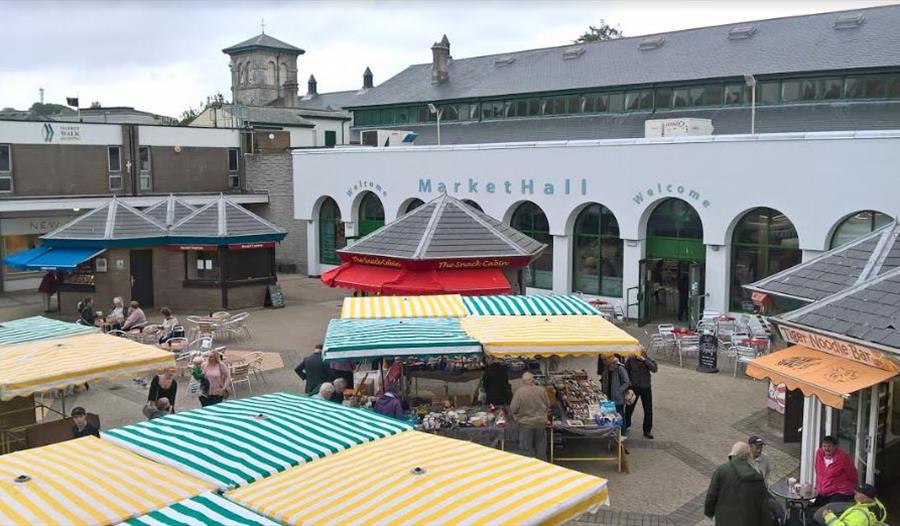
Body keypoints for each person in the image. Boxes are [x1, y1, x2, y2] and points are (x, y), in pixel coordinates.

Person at [704, 442, 769, 526]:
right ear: (748, 456)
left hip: (724, 520)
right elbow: (764, 505)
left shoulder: (722, 470)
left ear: (733, 454)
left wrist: (709, 512)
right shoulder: (758, 476)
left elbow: (712, 495)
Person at [510, 372, 549, 461]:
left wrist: (516, 416)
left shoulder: (519, 392)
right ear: (533, 380)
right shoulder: (542, 390)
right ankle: (543, 469)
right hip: (540, 423)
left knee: (526, 450)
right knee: (541, 448)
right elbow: (547, 405)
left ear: (523, 382)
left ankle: (529, 469)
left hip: (526, 424)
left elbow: (513, 408)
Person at [815, 436, 859, 506]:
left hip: (840, 491)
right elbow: (819, 473)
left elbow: (852, 473)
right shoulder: (819, 454)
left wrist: (855, 487)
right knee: (813, 508)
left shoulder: (843, 457)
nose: (826, 449)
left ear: (835, 447)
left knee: (829, 509)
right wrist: (818, 487)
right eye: (824, 446)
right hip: (824, 491)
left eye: (829, 446)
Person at [815, 483, 887, 526]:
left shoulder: (860, 515)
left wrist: (829, 516)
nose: (854, 494)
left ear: (864, 498)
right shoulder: (875, 503)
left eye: (856, 493)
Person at [624, 349, 657, 439]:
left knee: (648, 409)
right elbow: (625, 372)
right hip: (634, 387)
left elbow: (654, 369)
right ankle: (626, 424)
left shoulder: (647, 359)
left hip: (646, 387)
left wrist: (645, 360)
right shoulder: (630, 359)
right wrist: (628, 384)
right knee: (629, 407)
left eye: (641, 352)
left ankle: (647, 430)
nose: (638, 354)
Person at [599, 355, 631, 419]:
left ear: (610, 358)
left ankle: (622, 429)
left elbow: (626, 382)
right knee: (608, 417)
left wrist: (618, 391)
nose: (603, 362)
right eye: (602, 360)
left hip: (617, 398)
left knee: (619, 417)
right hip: (607, 397)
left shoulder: (620, 368)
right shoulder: (606, 368)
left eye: (605, 360)